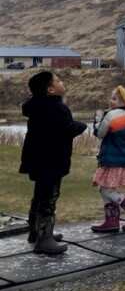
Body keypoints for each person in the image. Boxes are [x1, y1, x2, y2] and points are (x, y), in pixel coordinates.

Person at [19, 71, 87, 254]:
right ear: (50, 89)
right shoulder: (57, 108)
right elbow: (65, 130)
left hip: (36, 160)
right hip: (52, 161)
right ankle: (44, 239)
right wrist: (81, 125)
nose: (62, 82)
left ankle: (36, 232)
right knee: (49, 199)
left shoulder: (35, 106)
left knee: (39, 196)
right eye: (57, 81)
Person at [90, 85, 125, 233]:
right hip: (124, 161)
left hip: (110, 159)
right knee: (108, 188)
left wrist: (97, 119)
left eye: (114, 98)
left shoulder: (110, 116)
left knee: (105, 190)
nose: (110, 101)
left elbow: (100, 134)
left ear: (123, 102)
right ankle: (112, 221)